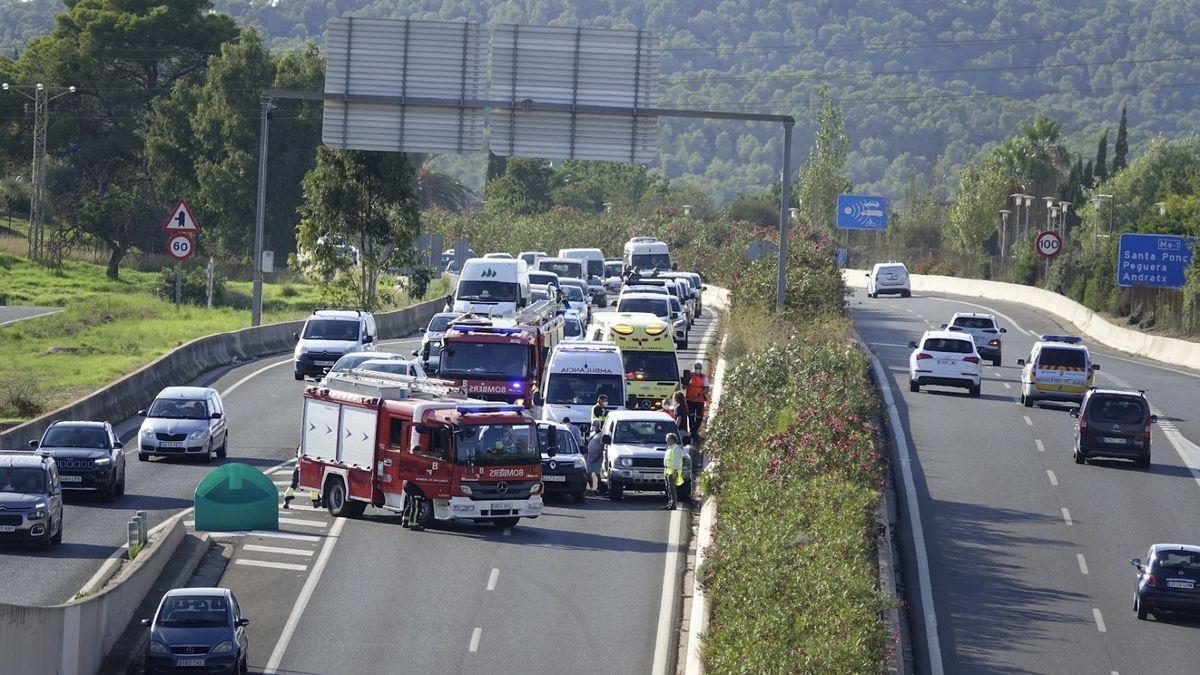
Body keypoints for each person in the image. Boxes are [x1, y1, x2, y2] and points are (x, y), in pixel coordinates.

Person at [685, 361, 710, 442]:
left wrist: (699, 394)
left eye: (698, 368)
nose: (697, 369)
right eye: (696, 368)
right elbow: (685, 385)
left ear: (701, 369)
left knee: (699, 417)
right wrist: (685, 385)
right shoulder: (690, 376)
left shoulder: (704, 377)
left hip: (699, 401)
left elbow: (706, 389)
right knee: (691, 416)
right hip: (690, 400)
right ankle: (692, 432)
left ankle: (695, 431)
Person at [662, 433, 683, 510]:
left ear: (672, 439)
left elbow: (677, 461)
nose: (666, 440)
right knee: (668, 488)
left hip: (672, 471)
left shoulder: (676, 448)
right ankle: (670, 503)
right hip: (667, 470)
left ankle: (673, 504)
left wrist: (675, 471)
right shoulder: (670, 448)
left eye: (667, 438)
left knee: (672, 489)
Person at [585, 420, 605, 493]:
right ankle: (591, 488)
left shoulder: (601, 434)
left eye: (595, 425)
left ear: (598, 425)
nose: (593, 426)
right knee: (588, 473)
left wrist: (598, 456)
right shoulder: (592, 433)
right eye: (593, 424)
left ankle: (598, 489)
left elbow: (602, 446)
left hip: (597, 457)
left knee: (597, 474)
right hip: (589, 457)